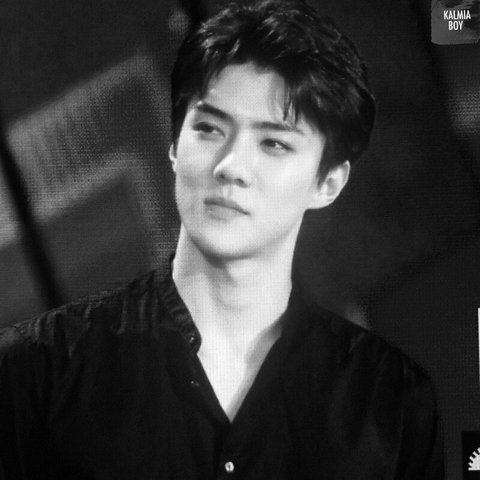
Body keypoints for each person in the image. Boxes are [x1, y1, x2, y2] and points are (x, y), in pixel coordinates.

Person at [0, 0, 444, 478]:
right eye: (209, 128)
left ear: (327, 183)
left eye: (274, 143)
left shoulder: (389, 399)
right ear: (175, 145)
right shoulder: (36, 372)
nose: (230, 165)